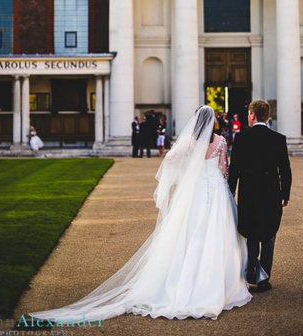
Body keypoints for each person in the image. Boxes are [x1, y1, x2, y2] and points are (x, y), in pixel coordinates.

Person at [29, 106, 252, 323]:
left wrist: (184, 169)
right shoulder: (221, 141)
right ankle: (218, 281)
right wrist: (220, 182)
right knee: (216, 232)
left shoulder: (190, 142)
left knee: (188, 232)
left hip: (195, 190)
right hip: (215, 190)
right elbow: (224, 168)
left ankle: (185, 280)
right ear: (212, 121)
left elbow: (171, 159)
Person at [228, 100, 292, 293]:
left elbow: (234, 169)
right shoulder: (278, 138)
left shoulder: (241, 138)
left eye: (248, 113)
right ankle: (264, 277)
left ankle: (251, 273)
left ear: (252, 115)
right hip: (272, 193)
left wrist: (230, 190)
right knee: (269, 235)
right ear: (267, 116)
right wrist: (285, 193)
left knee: (251, 234)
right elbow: (285, 170)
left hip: (249, 193)